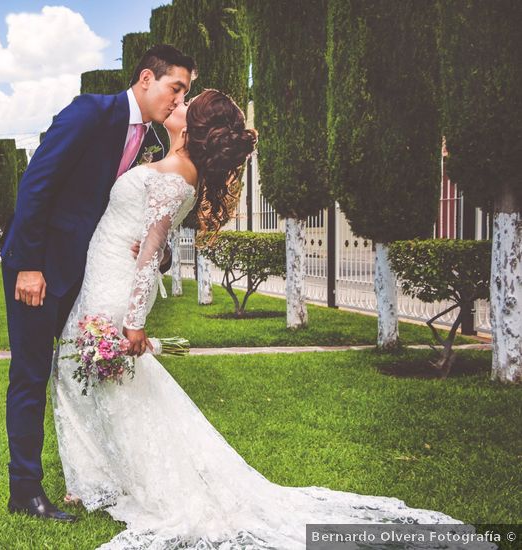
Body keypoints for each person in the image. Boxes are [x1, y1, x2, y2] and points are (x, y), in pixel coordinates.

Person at [51, 89, 480, 549]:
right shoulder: (176, 169)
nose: (176, 104)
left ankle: (100, 483)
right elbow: (153, 240)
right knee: (94, 379)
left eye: (184, 104)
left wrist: (135, 321)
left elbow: (153, 246)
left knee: (87, 375)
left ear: (194, 128)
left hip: (115, 285)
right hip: (107, 271)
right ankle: (102, 478)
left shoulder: (177, 175)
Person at [0, 45, 195, 522]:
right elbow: (36, 184)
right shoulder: (90, 112)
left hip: (85, 275)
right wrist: (28, 264)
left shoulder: (150, 136)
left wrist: (161, 253)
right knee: (30, 374)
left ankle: (95, 473)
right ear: (147, 78)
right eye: (176, 88)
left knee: (75, 370)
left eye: (184, 93)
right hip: (40, 270)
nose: (177, 100)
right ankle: (25, 491)